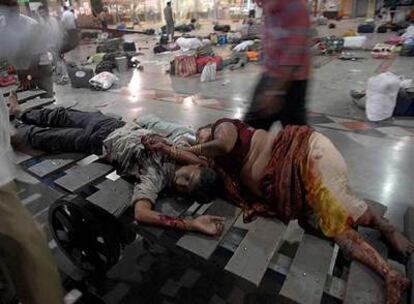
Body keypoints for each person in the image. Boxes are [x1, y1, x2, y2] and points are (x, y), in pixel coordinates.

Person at [146, 118, 413, 304]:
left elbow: (221, 145)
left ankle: (386, 228)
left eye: (200, 134)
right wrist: (168, 149)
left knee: (339, 209)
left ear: (208, 129)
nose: (199, 138)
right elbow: (197, 160)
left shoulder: (223, 127)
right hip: (296, 188)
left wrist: (184, 147)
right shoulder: (218, 167)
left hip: (303, 156)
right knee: (340, 234)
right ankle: (391, 276)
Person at [9, 103, 224, 236]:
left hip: (99, 140)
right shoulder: (189, 155)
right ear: (194, 165)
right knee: (62, 115)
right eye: (188, 177)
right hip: (113, 125)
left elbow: (141, 213)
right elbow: (203, 162)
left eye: (185, 188)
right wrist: (170, 150)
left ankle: (13, 131)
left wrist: (191, 224)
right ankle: (20, 112)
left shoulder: (156, 176)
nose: (180, 182)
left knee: (43, 138)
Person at [243, 0, 311, 129]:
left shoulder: (295, 8)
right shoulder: (270, 10)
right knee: (252, 128)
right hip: (270, 75)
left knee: (294, 132)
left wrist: (274, 91)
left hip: (290, 82)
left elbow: (292, 56)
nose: (255, 2)